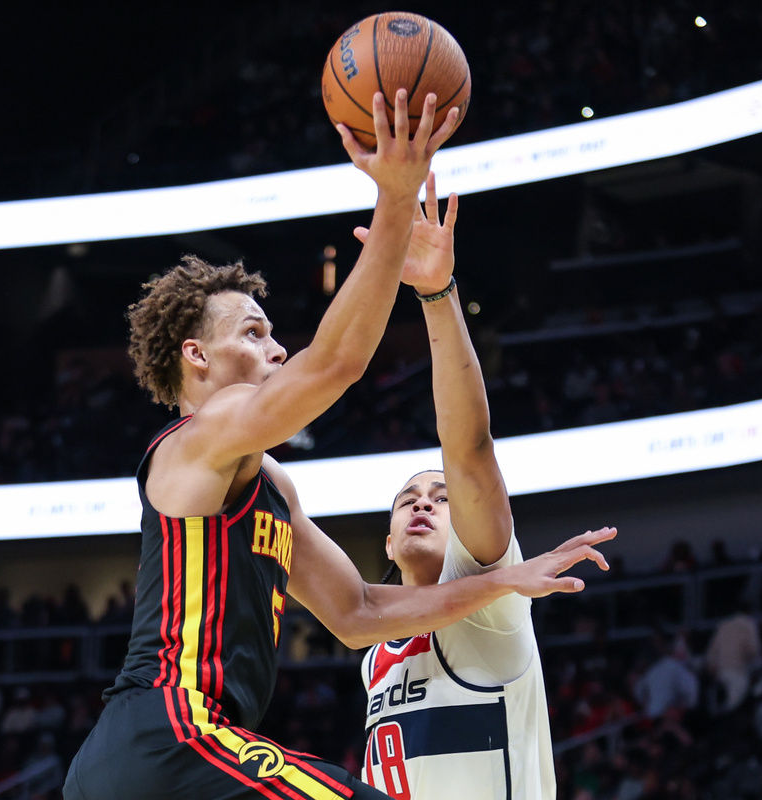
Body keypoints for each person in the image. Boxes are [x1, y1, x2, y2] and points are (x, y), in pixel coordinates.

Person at [63, 90, 613, 800]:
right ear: (196, 356)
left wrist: (502, 580)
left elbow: (357, 614)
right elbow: (334, 364)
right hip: (173, 736)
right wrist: (395, 195)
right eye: (254, 332)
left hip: (144, 764)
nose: (276, 344)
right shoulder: (200, 437)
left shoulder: (266, 483)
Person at [358, 183, 618, 800]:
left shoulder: (490, 599)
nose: (423, 501)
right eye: (408, 498)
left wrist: (435, 294)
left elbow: (469, 448)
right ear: (388, 545)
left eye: (440, 498)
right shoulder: (372, 651)